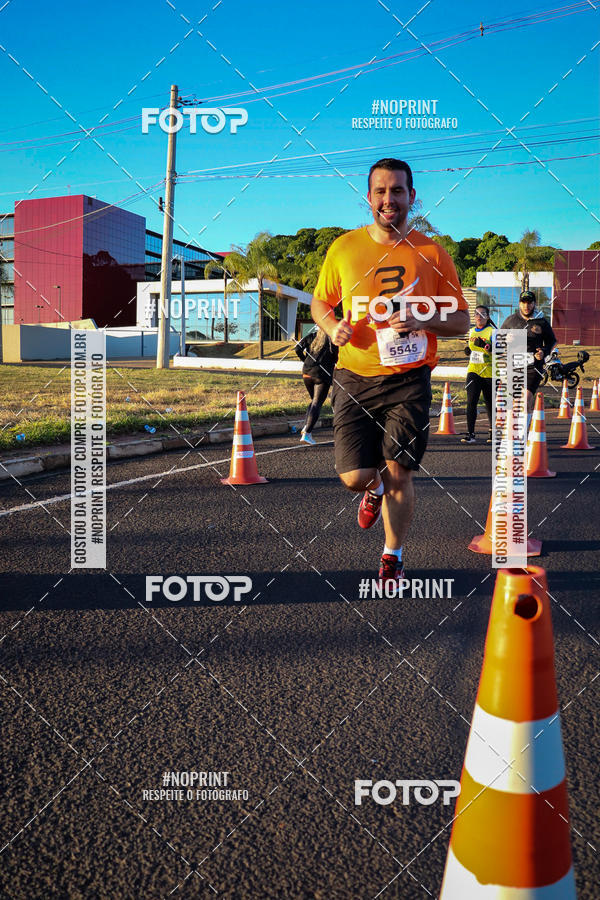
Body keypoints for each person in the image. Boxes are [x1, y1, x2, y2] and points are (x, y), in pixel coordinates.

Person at [310, 158, 469, 586]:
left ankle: (392, 556)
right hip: (353, 378)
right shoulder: (343, 248)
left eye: (397, 191)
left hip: (409, 379)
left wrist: (423, 321)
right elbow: (320, 303)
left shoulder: (433, 254)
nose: (388, 200)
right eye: (380, 191)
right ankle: (371, 489)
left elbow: (461, 320)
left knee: (399, 470)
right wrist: (331, 326)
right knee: (353, 476)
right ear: (369, 198)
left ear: (411, 196)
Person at [501, 290, 557, 429]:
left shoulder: (541, 322)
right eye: (523, 302)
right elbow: (499, 340)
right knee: (514, 403)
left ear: (534, 304)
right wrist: (505, 339)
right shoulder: (511, 320)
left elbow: (552, 341)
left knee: (525, 400)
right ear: (519, 304)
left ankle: (523, 435)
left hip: (534, 366)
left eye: (529, 303)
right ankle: (514, 431)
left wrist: (544, 351)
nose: (526, 306)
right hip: (514, 365)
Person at [295, 327, 338, 444]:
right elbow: (336, 356)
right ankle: (307, 433)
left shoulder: (311, 336)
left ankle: (306, 427)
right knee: (317, 402)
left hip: (307, 373)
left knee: (313, 401)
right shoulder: (331, 340)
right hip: (321, 375)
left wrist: (305, 360)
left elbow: (297, 348)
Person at [461, 305, 495, 444]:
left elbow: (498, 351)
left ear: (487, 316)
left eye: (482, 314)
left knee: (489, 403)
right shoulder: (471, 331)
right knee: (471, 401)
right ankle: (471, 434)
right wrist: (468, 350)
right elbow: (472, 348)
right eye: (476, 314)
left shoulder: (492, 331)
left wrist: (486, 346)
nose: (479, 316)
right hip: (474, 370)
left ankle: (493, 433)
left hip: (490, 371)